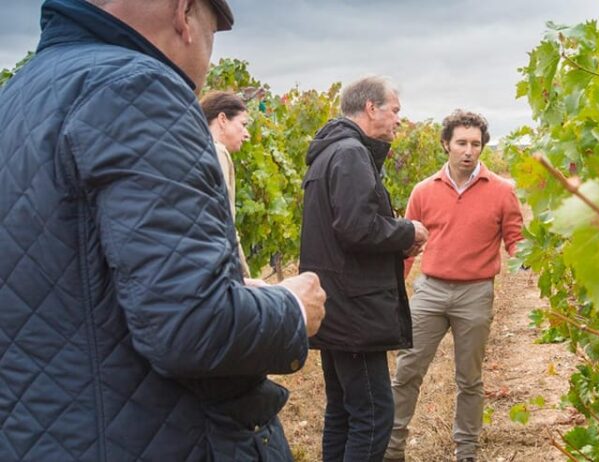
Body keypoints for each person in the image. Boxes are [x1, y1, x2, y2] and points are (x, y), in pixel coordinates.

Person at [0, 0, 326, 460]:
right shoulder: (137, 87)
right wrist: (291, 305)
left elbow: (74, 293)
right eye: (212, 38)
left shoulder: (19, 95)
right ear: (184, 13)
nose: (205, 69)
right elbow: (191, 324)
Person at [298, 75, 428, 461]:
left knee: (343, 410)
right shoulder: (351, 153)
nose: (399, 120)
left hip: (334, 304)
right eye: (395, 110)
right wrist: (407, 231)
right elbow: (358, 228)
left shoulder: (328, 152)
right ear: (371, 108)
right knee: (373, 415)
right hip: (355, 308)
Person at [384, 110, 524, 462]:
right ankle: (391, 449)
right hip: (429, 291)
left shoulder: (503, 192)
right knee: (407, 371)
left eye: (475, 144)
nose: (468, 150)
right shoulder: (423, 191)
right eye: (461, 143)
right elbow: (405, 248)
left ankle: (467, 452)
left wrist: (534, 257)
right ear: (446, 144)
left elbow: (516, 241)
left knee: (470, 379)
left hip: (475, 293)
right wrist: (393, 291)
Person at [201, 91, 252, 276]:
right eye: (243, 125)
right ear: (222, 119)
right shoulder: (218, 153)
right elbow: (225, 222)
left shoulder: (197, 150)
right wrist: (244, 276)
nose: (247, 135)